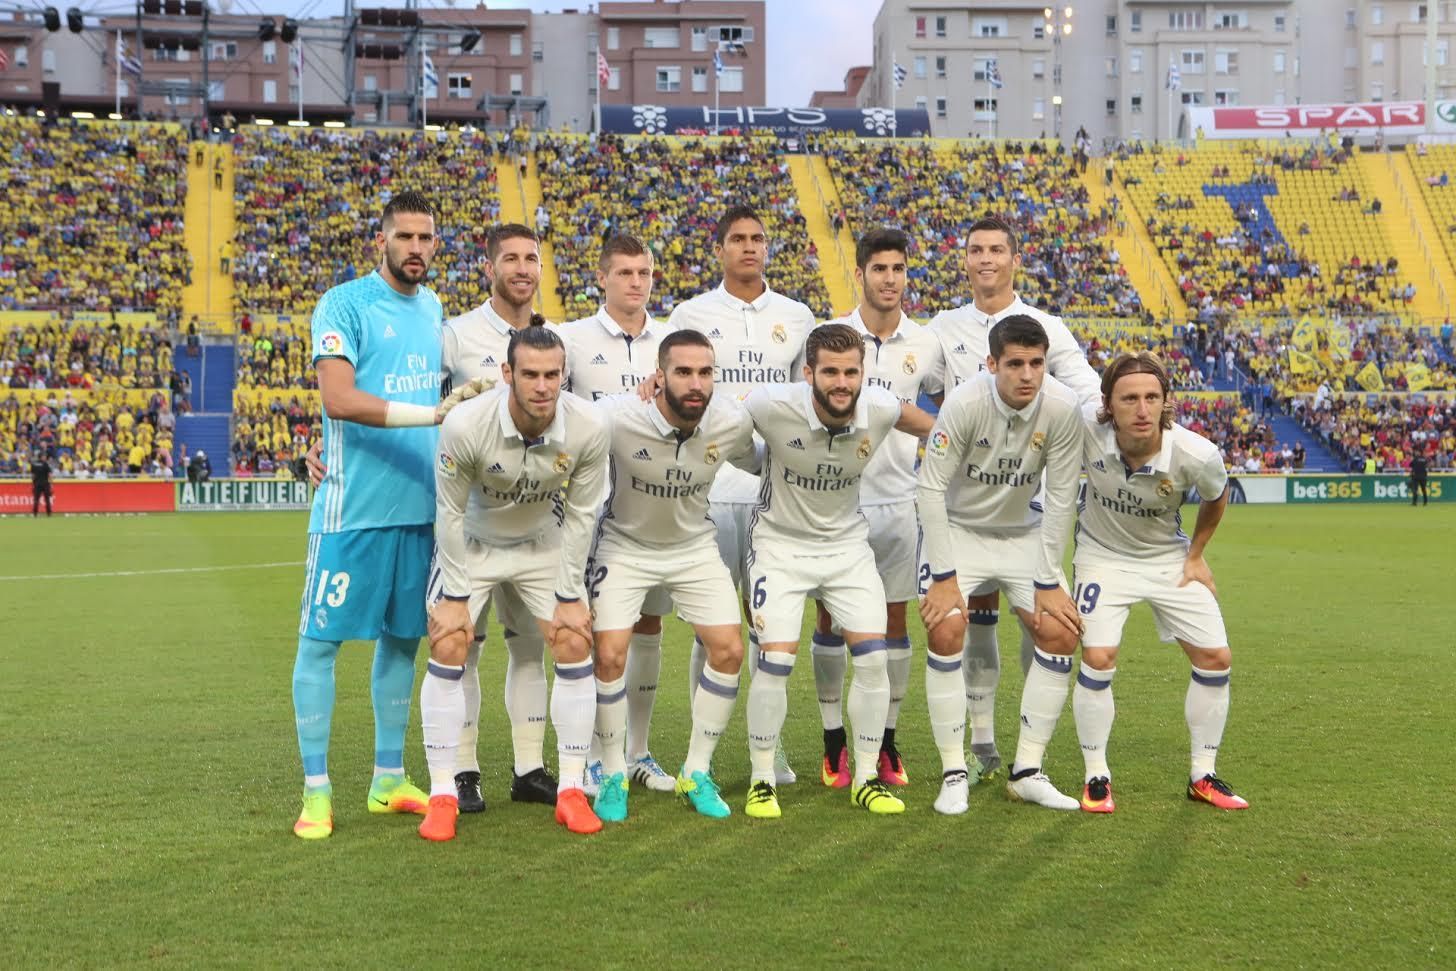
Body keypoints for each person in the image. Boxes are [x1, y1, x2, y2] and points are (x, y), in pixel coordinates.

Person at [290, 190, 449, 840]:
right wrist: (429, 416)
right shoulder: (344, 303)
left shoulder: (436, 307)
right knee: (320, 644)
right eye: (405, 236)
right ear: (381, 239)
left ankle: (388, 777)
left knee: (402, 640)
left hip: (420, 509)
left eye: (427, 238)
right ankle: (317, 791)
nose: (416, 248)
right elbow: (338, 398)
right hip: (351, 510)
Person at [419, 325, 610, 841]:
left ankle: (570, 790)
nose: (543, 386)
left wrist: (571, 594)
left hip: (540, 545)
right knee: (451, 640)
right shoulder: (465, 424)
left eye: (552, 375)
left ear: (563, 375)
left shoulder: (589, 427)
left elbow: (582, 516)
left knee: (574, 640)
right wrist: (456, 596)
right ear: (507, 374)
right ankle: (442, 794)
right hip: (473, 544)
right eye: (530, 374)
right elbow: (449, 512)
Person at [927, 214, 1101, 781]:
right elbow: (901, 384)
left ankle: (1032, 754)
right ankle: (979, 746)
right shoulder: (943, 327)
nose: (986, 260)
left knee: (1049, 624)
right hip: (962, 506)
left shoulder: (1048, 327)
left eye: (997, 250)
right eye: (976, 250)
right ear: (966, 259)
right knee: (968, 622)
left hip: (1023, 511)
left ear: (1013, 259)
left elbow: (1090, 393)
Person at [738, 324, 934, 819]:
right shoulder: (770, 405)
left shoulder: (881, 407)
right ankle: (762, 780)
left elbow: (936, 426)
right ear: (809, 373)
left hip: (847, 547)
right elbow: (713, 413)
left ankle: (865, 778)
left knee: (872, 659)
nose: (842, 382)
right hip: (779, 546)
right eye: (830, 372)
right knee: (774, 661)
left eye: (851, 372)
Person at [666, 204, 817, 786]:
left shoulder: (797, 316)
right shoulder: (692, 313)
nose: (749, 247)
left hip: (773, 494)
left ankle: (767, 749)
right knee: (713, 627)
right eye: (737, 239)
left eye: (758, 238)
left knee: (768, 627)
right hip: (706, 491)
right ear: (720, 248)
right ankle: (698, 750)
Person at [916, 316, 1085, 814]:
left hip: (1023, 535)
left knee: (1060, 630)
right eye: (1015, 364)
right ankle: (953, 773)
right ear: (992, 364)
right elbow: (929, 488)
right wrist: (944, 578)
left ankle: (1028, 770)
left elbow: (1060, 497)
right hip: (959, 531)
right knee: (946, 629)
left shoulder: (1062, 407)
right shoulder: (964, 403)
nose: (1027, 374)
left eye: (1037, 363)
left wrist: (1051, 578)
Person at [585, 330, 756, 822]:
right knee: (611, 655)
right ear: (659, 377)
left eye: (705, 372)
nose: (695, 383)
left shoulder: (729, 419)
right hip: (625, 545)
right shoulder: (617, 416)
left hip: (692, 547)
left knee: (728, 649)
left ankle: (695, 773)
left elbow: (763, 458)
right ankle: (614, 772)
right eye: (683, 372)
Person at [1072, 351, 1248, 813]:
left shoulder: (1197, 453)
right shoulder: (1086, 430)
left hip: (1168, 558)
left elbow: (1216, 496)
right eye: (1130, 398)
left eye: (1152, 397)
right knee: (1098, 655)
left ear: (1166, 401)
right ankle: (1096, 776)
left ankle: (1202, 774)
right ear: (1108, 404)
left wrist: (1196, 556)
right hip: (1101, 557)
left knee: (1215, 657)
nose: (1143, 408)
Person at [808, 228, 945, 790]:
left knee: (894, 622)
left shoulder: (927, 343)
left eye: (898, 268)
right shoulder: (829, 336)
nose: (890, 278)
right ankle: (833, 741)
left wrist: (934, 433)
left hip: (897, 501)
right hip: (838, 502)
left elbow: (948, 409)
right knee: (831, 620)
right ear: (860, 273)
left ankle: (886, 743)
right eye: (879, 268)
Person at [437, 223, 557, 815]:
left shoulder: (556, 338)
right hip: (474, 522)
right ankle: (463, 771)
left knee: (531, 648)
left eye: (531, 258)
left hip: (536, 522)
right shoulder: (456, 336)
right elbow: (427, 409)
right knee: (465, 646)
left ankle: (530, 767)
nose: (522, 268)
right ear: (490, 267)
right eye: (510, 258)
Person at [559, 234, 679, 797]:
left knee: (648, 627)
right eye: (626, 272)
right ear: (602, 278)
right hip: (590, 513)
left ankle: (638, 751)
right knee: (590, 635)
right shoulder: (573, 340)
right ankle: (583, 756)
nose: (637, 282)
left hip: (653, 510)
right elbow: (559, 415)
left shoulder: (673, 342)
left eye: (645, 272)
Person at [30, 451, 53, 517]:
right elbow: (49, 475)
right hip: (45, 484)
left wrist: (33, 484)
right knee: (47, 499)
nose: (45, 457)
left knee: (36, 499)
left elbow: (33, 475)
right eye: (44, 456)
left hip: (37, 484)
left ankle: (35, 513)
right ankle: (49, 513)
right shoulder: (46, 464)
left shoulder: (34, 464)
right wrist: (51, 484)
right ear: (41, 457)